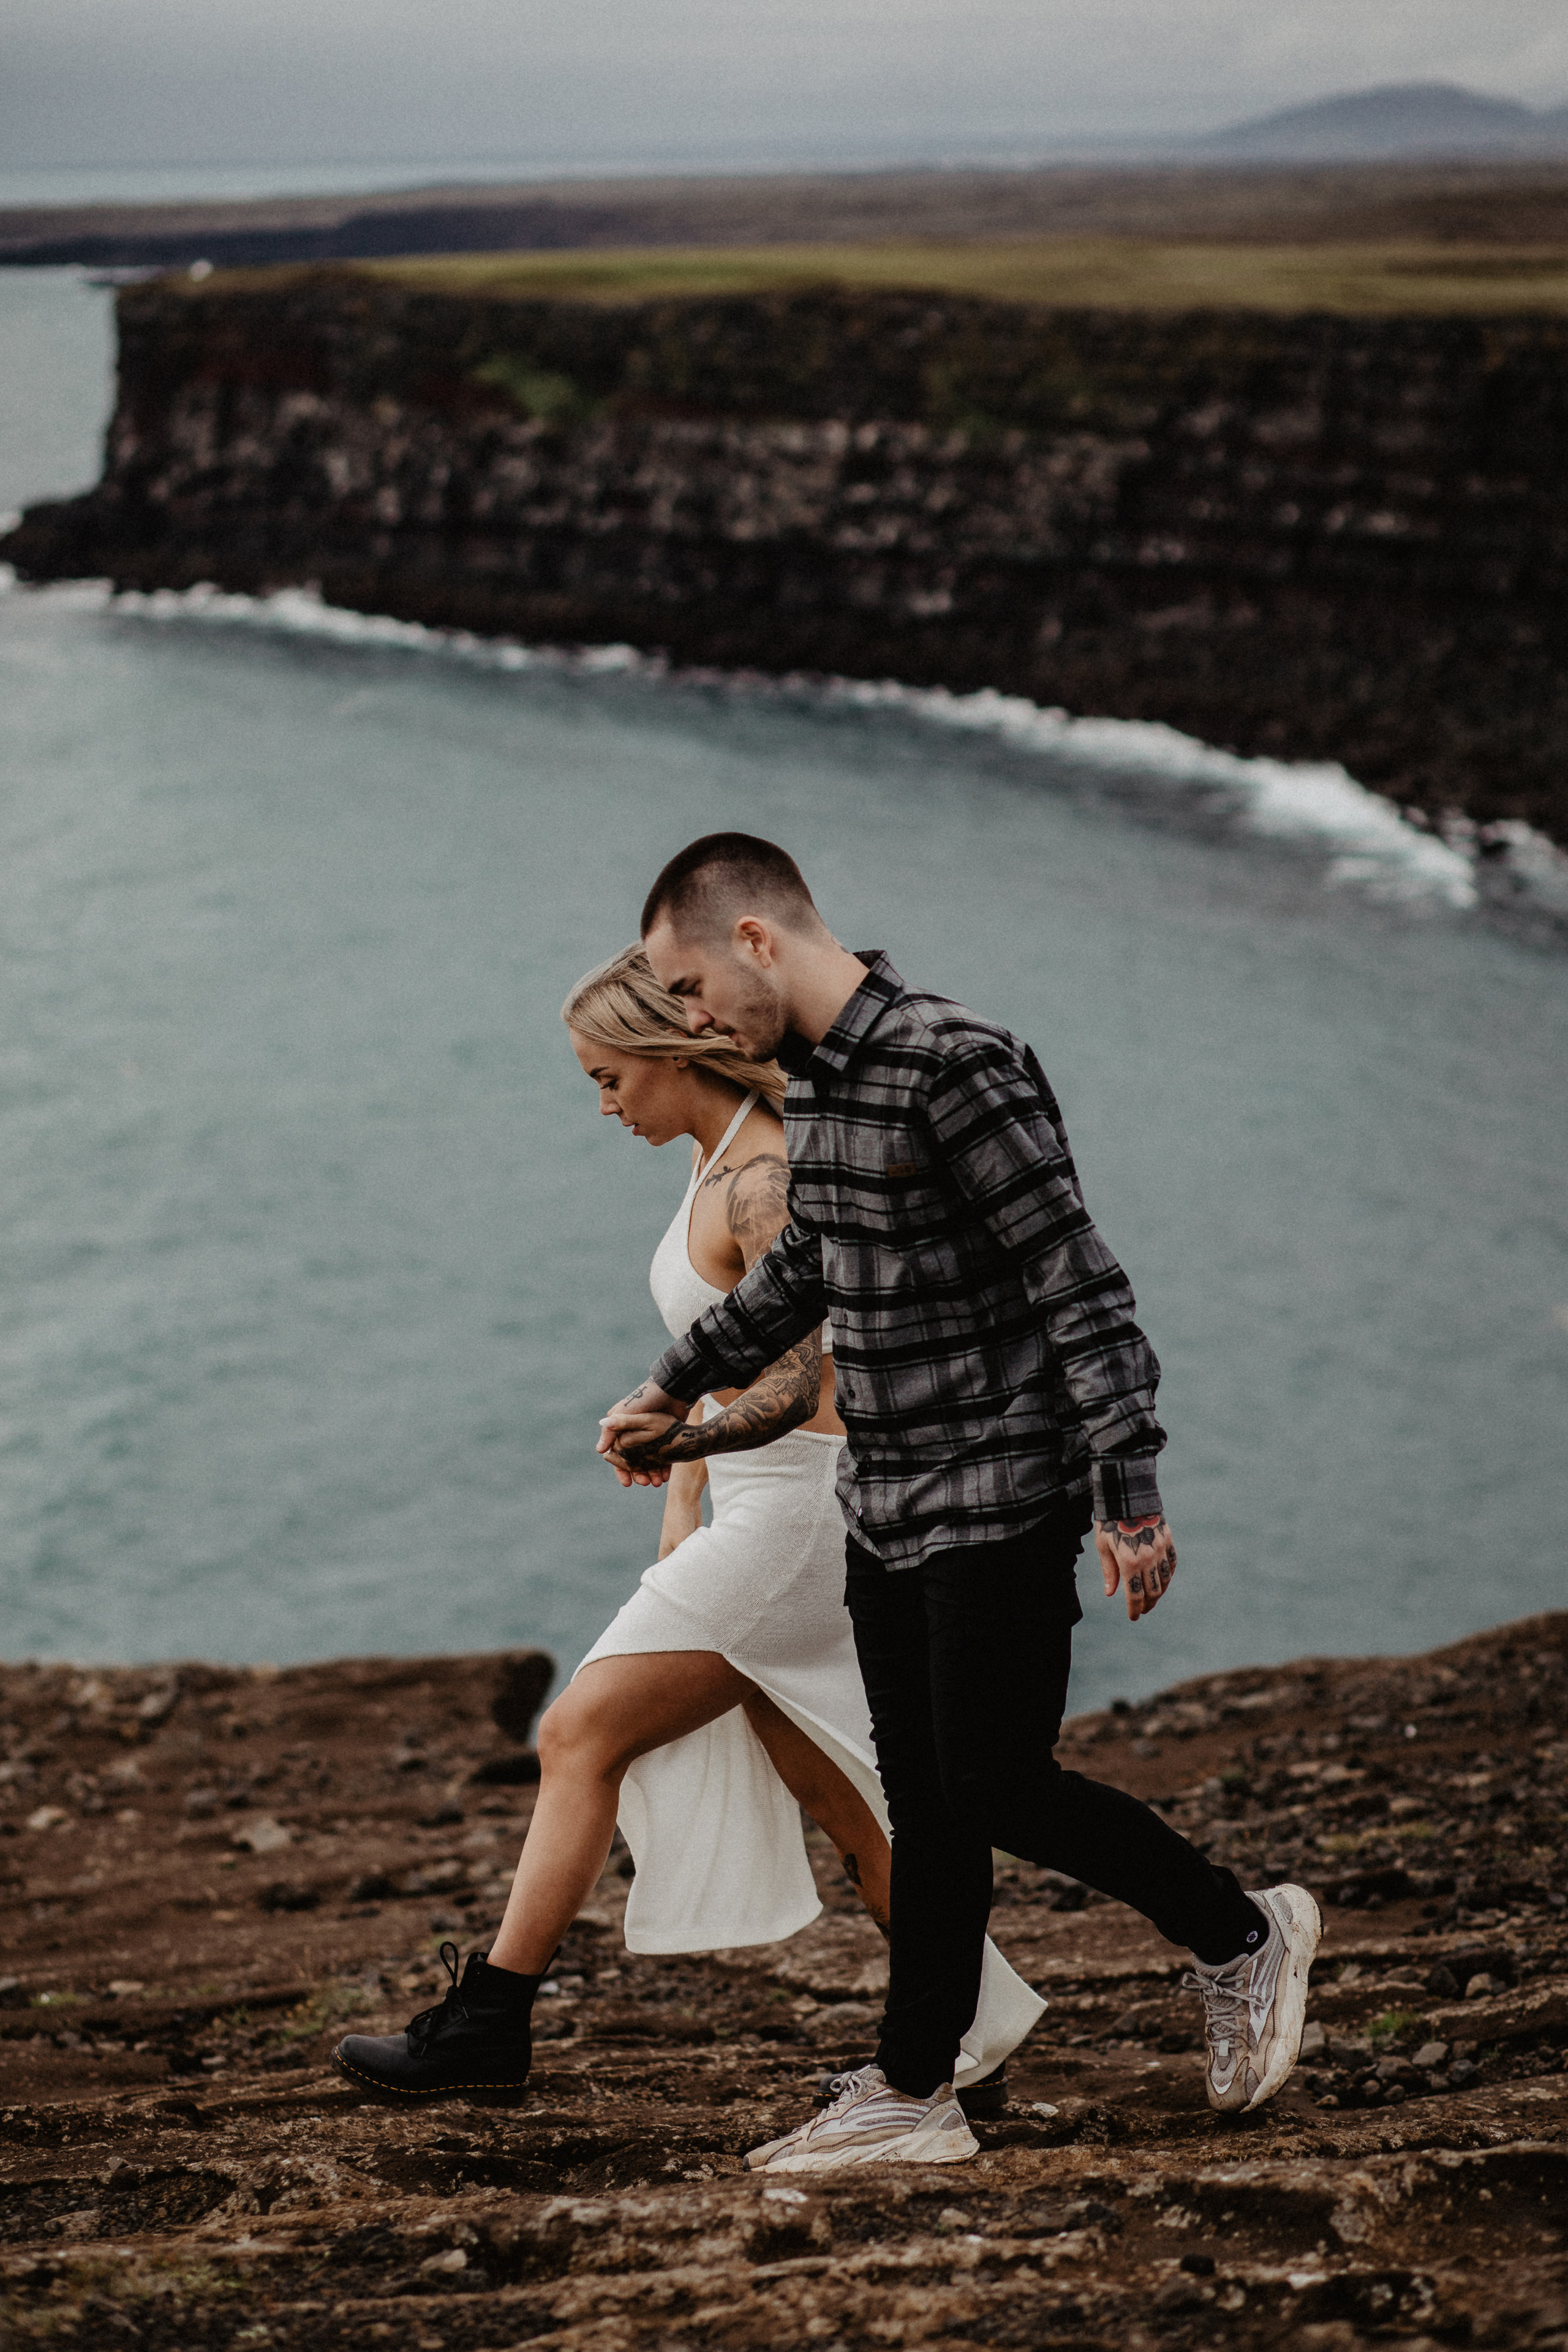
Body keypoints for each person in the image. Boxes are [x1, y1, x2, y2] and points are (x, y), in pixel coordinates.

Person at [597, 832, 1322, 2174]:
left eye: (691, 990)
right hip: (884, 1492)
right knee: (929, 1800)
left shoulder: (954, 1062)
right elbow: (811, 1260)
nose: (689, 1021)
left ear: (756, 939)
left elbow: (1074, 1275)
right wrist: (673, 1384)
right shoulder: (813, 1087)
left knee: (991, 1780)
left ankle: (1240, 1934)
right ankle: (912, 2089)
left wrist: (1131, 1489)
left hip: (1001, 1481)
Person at [332, 944, 1044, 2111]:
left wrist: (687, 1454)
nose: (604, 1104)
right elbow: (720, 1370)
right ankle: (966, 2047)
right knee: (849, 1801)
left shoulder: (764, 1179)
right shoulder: (716, 1163)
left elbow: (814, 1383)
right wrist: (684, 1503)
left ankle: (489, 2027)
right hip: (763, 1514)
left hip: (803, 1514)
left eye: (611, 1076)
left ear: (673, 1053)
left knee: (577, 1734)